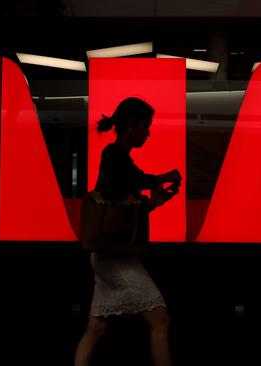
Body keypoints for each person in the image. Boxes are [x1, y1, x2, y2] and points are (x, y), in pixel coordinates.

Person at [74, 97, 182, 366]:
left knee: (96, 327)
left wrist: (155, 200)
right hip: (114, 256)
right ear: (131, 126)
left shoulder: (120, 161)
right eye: (146, 126)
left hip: (110, 252)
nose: (148, 132)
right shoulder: (113, 155)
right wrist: (160, 178)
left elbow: (124, 211)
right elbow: (123, 191)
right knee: (161, 319)